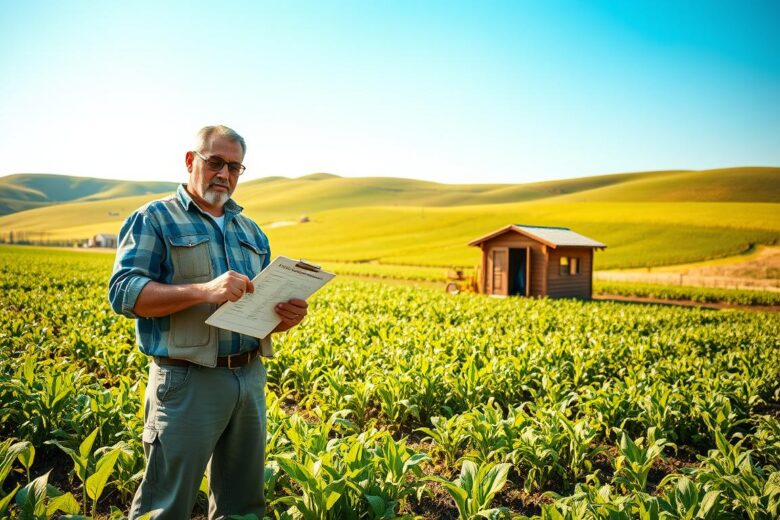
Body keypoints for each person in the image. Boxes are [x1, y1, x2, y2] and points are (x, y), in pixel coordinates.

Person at [108, 125, 307, 519]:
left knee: (243, 503)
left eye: (234, 167)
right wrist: (204, 290)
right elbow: (125, 292)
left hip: (247, 377)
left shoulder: (250, 231)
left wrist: (286, 318)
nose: (224, 174)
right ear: (190, 161)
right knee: (166, 504)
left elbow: (259, 308)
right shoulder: (154, 219)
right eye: (214, 162)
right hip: (186, 382)